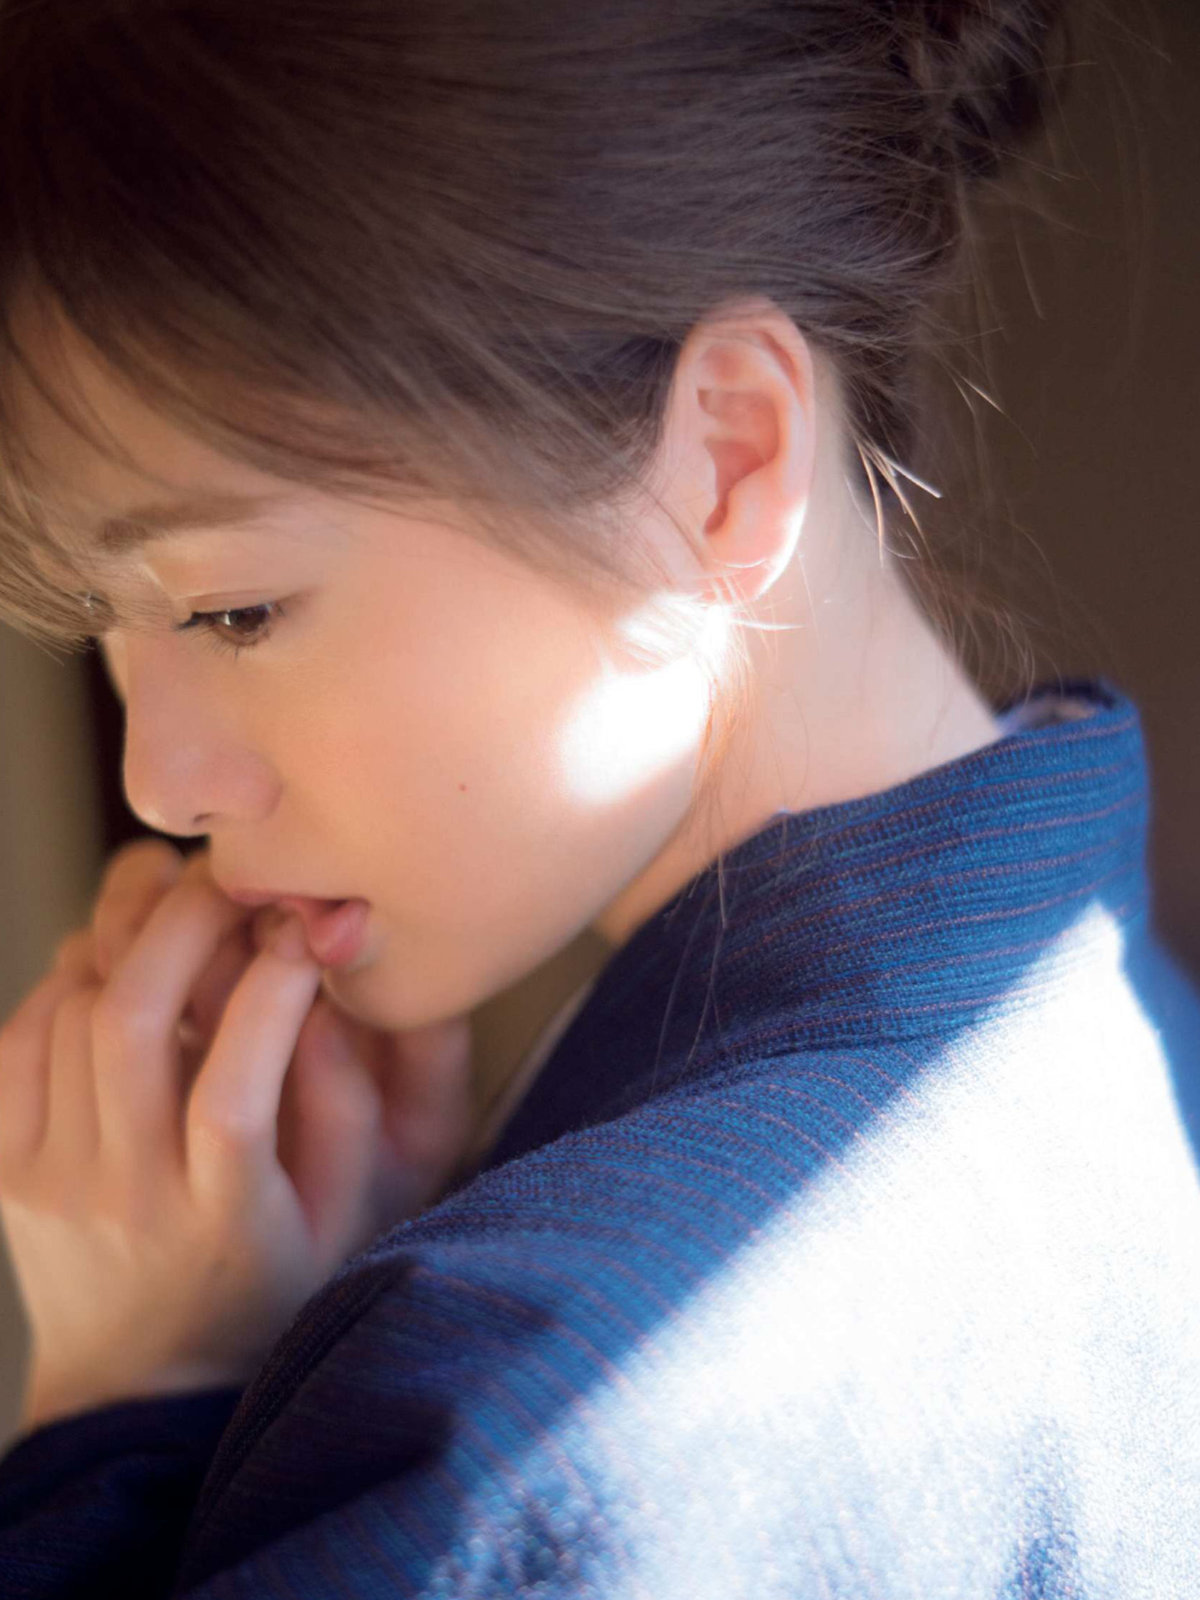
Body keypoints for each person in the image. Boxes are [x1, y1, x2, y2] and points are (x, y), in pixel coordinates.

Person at [0, 0, 1198, 1594]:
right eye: (109, 628)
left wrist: (131, 1415)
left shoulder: (535, 1432)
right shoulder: (1108, 1023)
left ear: (724, 457)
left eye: (232, 610)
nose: (159, 779)